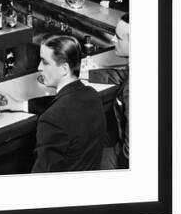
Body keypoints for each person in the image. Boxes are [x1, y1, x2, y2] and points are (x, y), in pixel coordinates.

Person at [30, 35, 106, 172]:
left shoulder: (51, 119)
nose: (39, 67)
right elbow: (63, 102)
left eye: (45, 62)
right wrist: (19, 104)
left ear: (64, 69)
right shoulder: (92, 95)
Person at [88, 14, 130, 169]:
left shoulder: (132, 91)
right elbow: (122, 75)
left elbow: (130, 151)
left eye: (118, 38)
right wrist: (87, 74)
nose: (113, 39)